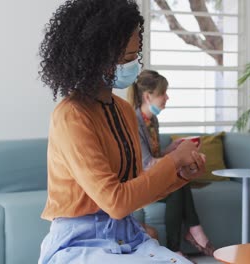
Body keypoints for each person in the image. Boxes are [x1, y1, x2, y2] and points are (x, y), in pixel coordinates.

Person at [37, 0, 206, 263]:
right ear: (93, 58)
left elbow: (135, 190)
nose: (131, 67)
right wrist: (173, 161)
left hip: (126, 237)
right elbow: (116, 202)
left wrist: (180, 174)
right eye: (124, 59)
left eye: (133, 58)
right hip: (79, 243)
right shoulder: (72, 116)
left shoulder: (125, 110)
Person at [128, 70, 215, 257]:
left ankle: (179, 245)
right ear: (147, 96)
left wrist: (172, 149)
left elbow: (155, 156)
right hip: (141, 180)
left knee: (178, 183)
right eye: (162, 93)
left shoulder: (152, 121)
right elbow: (146, 164)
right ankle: (189, 235)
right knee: (177, 180)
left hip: (152, 174)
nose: (167, 97)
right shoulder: (134, 121)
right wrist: (176, 160)